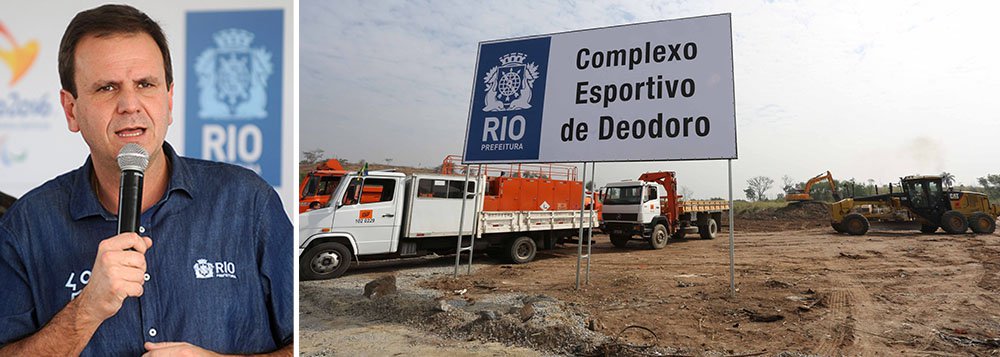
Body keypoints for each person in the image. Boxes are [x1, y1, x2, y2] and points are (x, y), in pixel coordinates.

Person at [0, 4, 292, 356]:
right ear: (71, 109)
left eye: (145, 84)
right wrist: (87, 310)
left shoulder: (248, 202)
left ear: (169, 99)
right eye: (106, 88)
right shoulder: (26, 226)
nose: (129, 104)